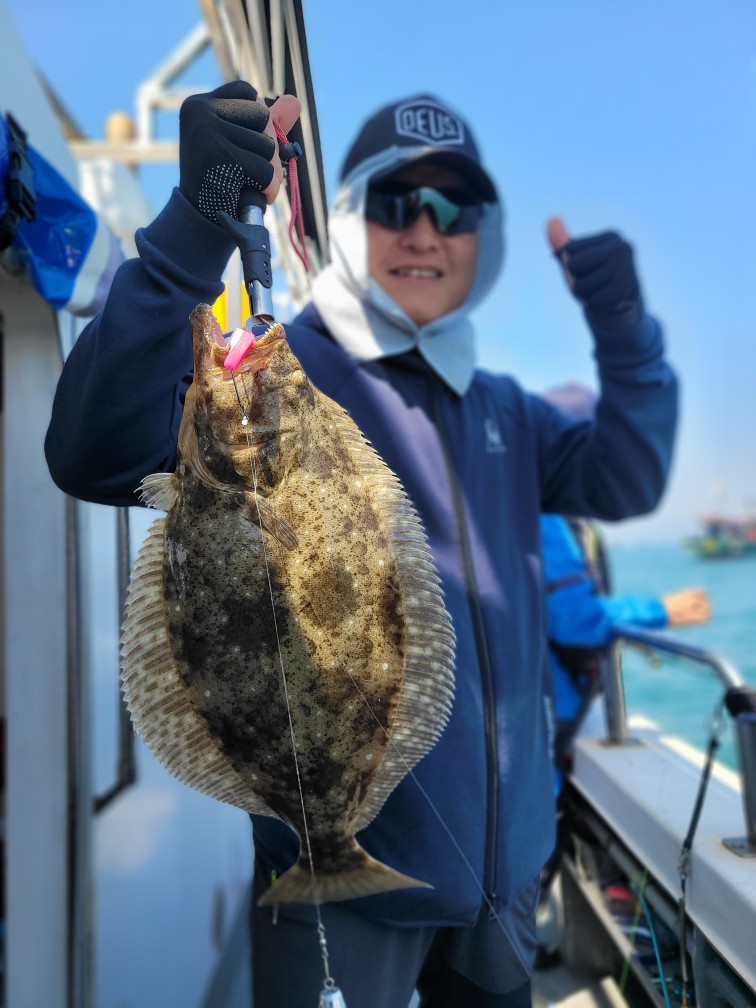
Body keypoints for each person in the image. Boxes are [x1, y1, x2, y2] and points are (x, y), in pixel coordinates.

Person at [44, 84, 679, 1007]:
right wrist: (197, 226)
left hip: (506, 883)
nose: (425, 231)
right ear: (347, 216)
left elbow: (627, 479)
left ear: (485, 240)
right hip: (328, 893)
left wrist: (626, 336)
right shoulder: (285, 366)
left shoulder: (507, 409)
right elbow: (93, 451)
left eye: (456, 209)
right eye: (395, 201)